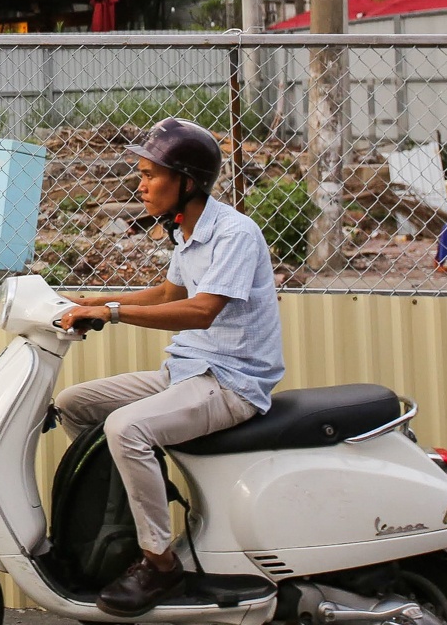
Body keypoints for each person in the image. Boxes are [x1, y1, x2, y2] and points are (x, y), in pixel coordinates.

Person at [53, 118, 284, 617]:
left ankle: (159, 563)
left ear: (187, 182)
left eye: (149, 175)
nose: (139, 186)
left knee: (125, 427)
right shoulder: (188, 232)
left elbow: (200, 310)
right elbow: (168, 293)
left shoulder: (234, 233)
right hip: (188, 370)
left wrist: (110, 313)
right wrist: (85, 299)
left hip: (231, 382)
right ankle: (129, 514)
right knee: (77, 404)